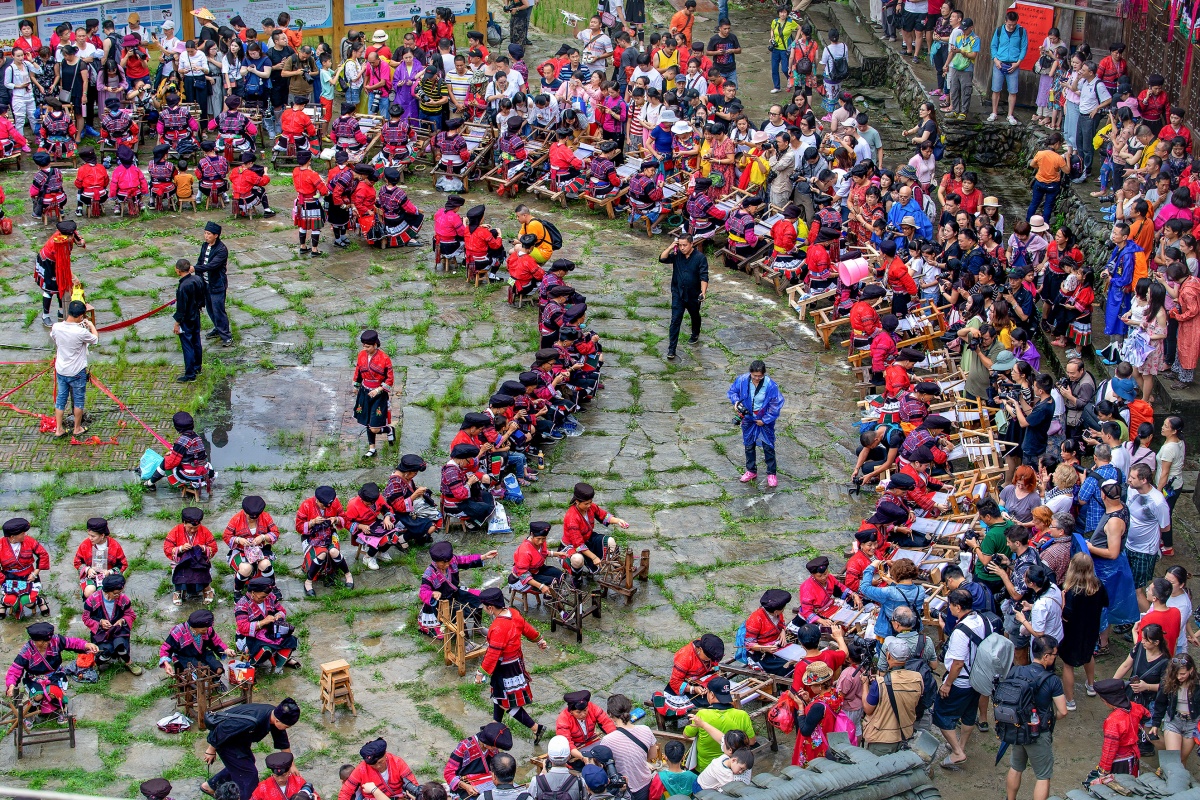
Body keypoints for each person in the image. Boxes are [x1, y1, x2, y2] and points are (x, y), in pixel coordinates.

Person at [476, 586, 549, 740]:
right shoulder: (514, 613)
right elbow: (527, 628)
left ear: (490, 608)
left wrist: (481, 672)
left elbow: (492, 654)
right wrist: (539, 639)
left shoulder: (498, 627)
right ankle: (495, 724)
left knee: (505, 702)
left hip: (504, 669)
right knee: (499, 696)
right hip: (515, 663)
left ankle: (536, 728)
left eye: (485, 607)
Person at [201, 698, 301, 800]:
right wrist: (210, 750)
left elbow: (283, 742)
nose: (286, 729)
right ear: (277, 720)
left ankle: (210, 786)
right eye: (287, 727)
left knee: (247, 763)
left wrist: (291, 765)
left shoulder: (274, 715)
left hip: (239, 740)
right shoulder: (251, 721)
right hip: (225, 742)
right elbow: (222, 729)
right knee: (250, 775)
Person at [934, 588, 989, 769]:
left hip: (962, 680)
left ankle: (958, 751)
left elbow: (957, 664)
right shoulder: (982, 619)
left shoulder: (960, 632)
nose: (949, 608)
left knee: (941, 714)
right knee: (969, 713)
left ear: (957, 607)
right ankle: (961, 745)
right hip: (979, 677)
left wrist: (947, 684)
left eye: (950, 605)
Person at [4, 621, 97, 715]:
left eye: (47, 641)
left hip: (55, 674)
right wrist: (11, 684)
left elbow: (72, 642)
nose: (45, 644)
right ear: (34, 640)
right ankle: (31, 712)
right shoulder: (27, 650)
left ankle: (61, 709)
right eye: (41, 641)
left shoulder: (55, 641)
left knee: (53, 693)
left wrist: (86, 645)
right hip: (34, 678)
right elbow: (15, 668)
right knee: (37, 696)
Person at [861, 638, 924, 755]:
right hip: (905, 734)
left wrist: (865, 685)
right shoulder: (918, 678)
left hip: (882, 739)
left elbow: (868, 709)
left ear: (888, 655)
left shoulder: (880, 683)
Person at [728, 360, 784, 487]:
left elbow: (775, 404)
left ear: (764, 374)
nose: (757, 378)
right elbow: (732, 392)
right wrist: (736, 402)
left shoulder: (770, 385)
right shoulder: (742, 380)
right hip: (748, 417)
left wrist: (765, 419)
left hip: (764, 419)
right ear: (750, 373)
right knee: (748, 444)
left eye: (760, 376)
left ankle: (771, 473)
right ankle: (751, 470)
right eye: (754, 376)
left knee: (768, 445)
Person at [682, 676, 755, 771]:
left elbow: (686, 735)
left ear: (711, 694)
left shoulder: (702, 715)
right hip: (732, 767)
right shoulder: (742, 715)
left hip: (705, 767)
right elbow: (752, 741)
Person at [48, 299, 97, 438]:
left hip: (61, 370)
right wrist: (91, 325)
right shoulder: (81, 332)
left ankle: (58, 429)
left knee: (61, 399)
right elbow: (95, 339)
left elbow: (54, 337)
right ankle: (77, 428)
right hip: (76, 372)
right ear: (81, 316)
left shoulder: (56, 327)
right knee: (79, 399)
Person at [295, 485, 353, 595]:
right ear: (317, 500)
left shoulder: (334, 502)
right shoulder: (306, 505)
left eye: (328, 505)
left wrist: (335, 519)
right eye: (323, 505)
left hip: (329, 534)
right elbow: (298, 527)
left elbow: (344, 518)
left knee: (333, 551)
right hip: (311, 537)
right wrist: (312, 522)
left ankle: (348, 575)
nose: (326, 507)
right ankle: (308, 582)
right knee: (321, 553)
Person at [599, 694, 659, 800]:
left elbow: (605, 766)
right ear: (630, 708)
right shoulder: (646, 729)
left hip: (624, 788)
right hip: (645, 782)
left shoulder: (607, 740)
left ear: (609, 714)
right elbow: (653, 755)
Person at [235, 576, 299, 673]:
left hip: (268, 631)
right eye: (262, 597)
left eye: (266, 596)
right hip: (249, 637)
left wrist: (278, 615)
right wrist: (263, 622)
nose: (265, 599)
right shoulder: (242, 605)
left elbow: (281, 610)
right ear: (253, 593)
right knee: (265, 650)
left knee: (290, 639)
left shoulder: (269, 597)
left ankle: (280, 659)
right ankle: (253, 662)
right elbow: (243, 627)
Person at [82, 573, 141, 674]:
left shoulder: (123, 599)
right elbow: (86, 618)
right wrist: (100, 622)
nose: (118, 595)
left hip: (118, 630)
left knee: (121, 647)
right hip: (101, 632)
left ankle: (128, 662)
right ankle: (96, 663)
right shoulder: (92, 600)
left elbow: (130, 615)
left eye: (120, 592)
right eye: (115, 593)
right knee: (106, 652)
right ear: (107, 591)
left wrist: (122, 620)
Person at [661, 235, 708, 360]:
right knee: (675, 320)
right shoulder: (677, 255)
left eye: (685, 245)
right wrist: (671, 247)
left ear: (691, 244)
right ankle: (671, 349)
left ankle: (695, 333)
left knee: (694, 314)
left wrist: (703, 292)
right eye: (680, 245)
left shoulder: (700, 258)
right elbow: (662, 258)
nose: (682, 248)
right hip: (678, 294)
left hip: (693, 295)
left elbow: (704, 276)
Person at [144, 411, 215, 493]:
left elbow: (172, 462)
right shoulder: (197, 437)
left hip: (193, 475)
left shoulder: (181, 441)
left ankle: (149, 483)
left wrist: (169, 456)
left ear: (177, 427)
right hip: (205, 472)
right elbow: (193, 454)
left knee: (166, 462)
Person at [1092, 677, 1150, 777]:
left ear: (1107, 700)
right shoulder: (1135, 707)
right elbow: (1147, 715)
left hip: (1120, 762)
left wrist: (1103, 771)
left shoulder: (1113, 721)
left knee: (1120, 787)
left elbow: (1110, 748)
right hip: (1133, 757)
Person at [223, 495, 278, 598]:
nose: (253, 519)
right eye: (250, 516)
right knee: (245, 568)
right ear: (245, 512)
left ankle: (272, 586)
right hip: (240, 551)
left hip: (260, 551)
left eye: (256, 517)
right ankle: (237, 591)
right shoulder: (236, 519)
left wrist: (263, 537)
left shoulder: (265, 517)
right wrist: (239, 540)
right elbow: (226, 536)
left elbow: (275, 533)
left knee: (266, 564)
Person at [1150, 653, 1199, 765]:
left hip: (1193, 724)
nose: (1178, 677)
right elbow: (1160, 703)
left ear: (1191, 670)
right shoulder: (1167, 681)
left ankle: (1179, 780)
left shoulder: (1198, 684)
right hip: (1174, 720)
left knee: (1182, 760)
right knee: (1174, 760)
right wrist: (1155, 724)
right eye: (1176, 674)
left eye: (1182, 674)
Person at [353, 329, 395, 458]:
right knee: (367, 421)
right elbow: (358, 370)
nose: (365, 349)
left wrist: (378, 389)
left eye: (368, 346)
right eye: (364, 346)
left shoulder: (384, 359)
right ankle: (372, 448)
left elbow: (390, 379)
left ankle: (388, 429)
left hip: (378, 394)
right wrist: (356, 385)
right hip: (365, 392)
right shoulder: (361, 355)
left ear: (375, 345)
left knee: (374, 428)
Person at [163, 506, 218, 605]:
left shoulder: (205, 531)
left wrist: (203, 548)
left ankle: (206, 589)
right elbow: (167, 548)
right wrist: (180, 549)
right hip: (181, 561)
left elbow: (213, 547)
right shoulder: (175, 531)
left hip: (198, 562)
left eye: (195, 528)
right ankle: (179, 590)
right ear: (184, 523)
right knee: (180, 568)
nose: (193, 530)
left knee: (202, 568)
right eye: (190, 527)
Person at [159, 607, 233, 680]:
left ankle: (216, 682)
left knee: (218, 668)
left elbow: (216, 641)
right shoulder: (178, 632)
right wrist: (166, 664)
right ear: (195, 627)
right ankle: (200, 685)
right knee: (202, 671)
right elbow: (165, 649)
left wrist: (226, 650)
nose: (206, 631)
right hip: (184, 657)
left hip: (202, 653)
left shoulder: (208, 629)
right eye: (203, 630)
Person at [445, 722, 513, 798]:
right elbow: (448, 773)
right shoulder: (464, 747)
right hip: (465, 786)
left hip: (487, 781)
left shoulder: (493, 749)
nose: (496, 749)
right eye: (494, 747)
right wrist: (465, 786)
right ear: (486, 744)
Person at [192, 220, 232, 348]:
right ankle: (217, 328)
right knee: (209, 308)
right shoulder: (205, 246)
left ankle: (226, 336)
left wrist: (195, 269)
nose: (206, 236)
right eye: (205, 233)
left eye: (209, 234)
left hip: (217, 284)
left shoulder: (221, 250)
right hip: (206, 284)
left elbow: (212, 265)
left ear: (216, 235)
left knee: (218, 309)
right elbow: (201, 261)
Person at [338, 738, 419, 800]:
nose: (378, 766)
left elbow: (414, 786)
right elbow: (346, 791)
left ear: (385, 754)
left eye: (380, 762)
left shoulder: (398, 763)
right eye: (373, 765)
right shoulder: (361, 769)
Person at [72, 516, 127, 600]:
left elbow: (123, 564)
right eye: (89, 535)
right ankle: (93, 606)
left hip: (109, 577)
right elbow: (77, 562)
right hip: (91, 576)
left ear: (102, 535)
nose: (90, 538)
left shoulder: (114, 546)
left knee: (106, 594)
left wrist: (110, 572)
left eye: (93, 536)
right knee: (89, 592)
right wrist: (88, 570)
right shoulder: (85, 545)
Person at [555, 690, 615, 764]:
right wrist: (583, 757)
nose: (583, 714)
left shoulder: (592, 708)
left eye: (585, 710)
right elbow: (567, 744)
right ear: (571, 712)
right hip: (575, 747)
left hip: (591, 739)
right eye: (578, 712)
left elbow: (607, 722)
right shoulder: (563, 720)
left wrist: (615, 738)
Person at [171, 258, 205, 382]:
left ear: (178, 270)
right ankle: (197, 367)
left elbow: (181, 308)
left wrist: (177, 323)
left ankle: (190, 374)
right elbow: (202, 296)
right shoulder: (197, 279)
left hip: (186, 319)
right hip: (195, 315)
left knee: (187, 346)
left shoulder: (183, 287)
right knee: (196, 341)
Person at [251, 752, 317, 800]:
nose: (280, 779)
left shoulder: (299, 782)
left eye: (283, 775)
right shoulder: (263, 787)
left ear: (289, 772)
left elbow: (315, 797)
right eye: (276, 776)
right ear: (272, 774)